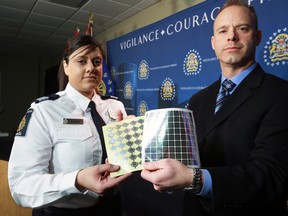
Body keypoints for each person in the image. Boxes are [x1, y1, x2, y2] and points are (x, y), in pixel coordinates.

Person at [141, 0, 288, 215]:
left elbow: (273, 175)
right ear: (213, 42)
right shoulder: (200, 98)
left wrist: (195, 179)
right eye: (223, 31)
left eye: (242, 28)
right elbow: (186, 156)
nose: (231, 36)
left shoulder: (280, 93)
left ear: (257, 37)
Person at [8, 35, 132, 216]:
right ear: (66, 66)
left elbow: (123, 161)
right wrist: (77, 180)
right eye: (81, 61)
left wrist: (131, 140)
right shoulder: (44, 110)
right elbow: (21, 186)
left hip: (112, 208)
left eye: (96, 62)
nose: (91, 68)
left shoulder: (115, 106)